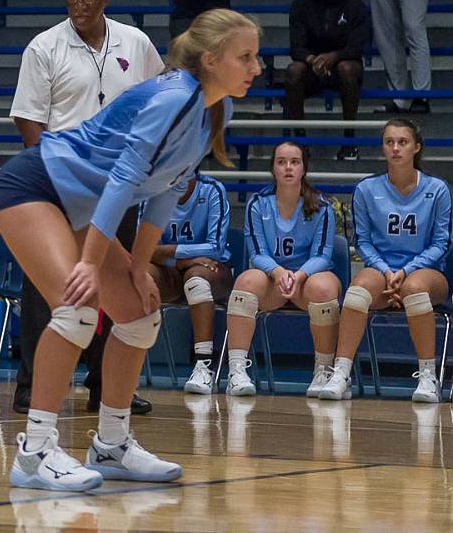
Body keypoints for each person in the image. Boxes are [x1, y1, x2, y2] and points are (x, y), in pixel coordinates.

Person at [0, 9, 261, 492]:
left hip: (78, 204)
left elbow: (164, 190)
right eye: (247, 57)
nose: (256, 67)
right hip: (36, 186)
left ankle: (111, 444)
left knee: (138, 315)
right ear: (212, 59)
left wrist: (138, 266)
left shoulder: (216, 108)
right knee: (77, 311)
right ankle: (34, 453)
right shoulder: (175, 96)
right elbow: (122, 179)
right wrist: (92, 264)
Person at [8, 0, 164, 415]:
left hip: (121, 182)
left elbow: (158, 99)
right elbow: (29, 118)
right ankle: (33, 384)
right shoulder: (44, 47)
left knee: (116, 285)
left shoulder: (135, 42)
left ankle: (108, 387)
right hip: (63, 182)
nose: (79, 4)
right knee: (47, 286)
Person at [319, 119, 451, 403]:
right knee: (357, 290)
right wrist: (387, 271)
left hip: (426, 272)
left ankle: (428, 376)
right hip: (383, 270)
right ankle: (342, 372)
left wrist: (405, 271)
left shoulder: (437, 189)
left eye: (402, 142)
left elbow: (441, 243)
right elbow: (363, 242)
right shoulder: (367, 189)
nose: (395, 148)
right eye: (389, 142)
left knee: (415, 288)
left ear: (416, 147)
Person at [222, 140, 341, 399]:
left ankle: (323, 371)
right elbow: (257, 253)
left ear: (303, 169)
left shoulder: (322, 206)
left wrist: (297, 276)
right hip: (272, 281)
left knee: (324, 286)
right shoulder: (258, 204)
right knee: (245, 281)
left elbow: (323, 255)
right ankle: (237, 371)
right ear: (273, 168)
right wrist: (278, 273)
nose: (288, 167)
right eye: (281, 162)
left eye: (294, 162)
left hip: (306, 281)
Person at [146, 172, 232, 395]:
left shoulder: (212, 189)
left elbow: (216, 248)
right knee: (139, 276)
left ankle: (204, 364)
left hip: (212, 270)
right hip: (169, 270)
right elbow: (145, 249)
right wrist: (185, 258)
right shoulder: (154, 191)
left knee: (196, 279)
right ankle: (116, 364)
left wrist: (179, 256)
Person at [285, 0, 369, 160]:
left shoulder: (355, 6)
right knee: (293, 70)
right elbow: (296, 47)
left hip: (343, 67)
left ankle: (349, 141)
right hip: (313, 69)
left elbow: (356, 47)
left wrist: (334, 57)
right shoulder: (300, 6)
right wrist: (313, 59)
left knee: (348, 68)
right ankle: (300, 144)